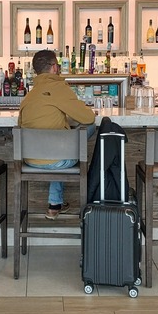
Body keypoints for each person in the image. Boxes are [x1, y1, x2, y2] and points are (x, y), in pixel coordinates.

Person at [18, 49, 96, 220]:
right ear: (54, 67)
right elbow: (88, 117)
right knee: (91, 127)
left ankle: (55, 204)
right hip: (59, 160)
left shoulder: (29, 96)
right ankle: (95, 196)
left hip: (30, 160)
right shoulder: (59, 87)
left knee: (58, 141)